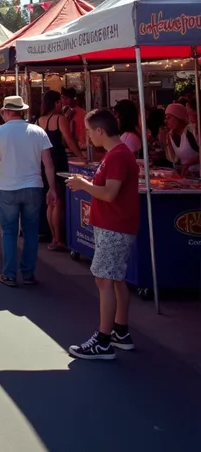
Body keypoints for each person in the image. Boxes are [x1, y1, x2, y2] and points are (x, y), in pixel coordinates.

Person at [66, 109, 140, 361]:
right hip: (113, 224)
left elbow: (109, 193)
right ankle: (120, 331)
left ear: (100, 131)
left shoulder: (118, 156)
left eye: (88, 131)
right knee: (115, 278)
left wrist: (83, 185)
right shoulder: (117, 154)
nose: (87, 136)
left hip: (114, 225)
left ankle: (103, 339)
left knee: (104, 279)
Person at [0, 95, 56, 287]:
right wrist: (52, 189)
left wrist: (1, 157)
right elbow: (48, 164)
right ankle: (28, 273)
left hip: (8, 187)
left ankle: (9, 274)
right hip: (34, 186)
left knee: (9, 232)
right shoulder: (38, 131)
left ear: (6, 112)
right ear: (22, 111)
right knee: (31, 232)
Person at [37, 90, 82, 252]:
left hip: (44, 161)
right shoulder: (59, 118)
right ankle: (58, 238)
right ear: (55, 103)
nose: (61, 104)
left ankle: (53, 236)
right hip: (58, 160)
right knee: (59, 201)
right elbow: (68, 139)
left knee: (51, 200)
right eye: (59, 101)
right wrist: (81, 157)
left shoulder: (39, 120)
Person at [160, 102, 199, 177]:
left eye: (168, 117)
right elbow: (173, 159)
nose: (166, 121)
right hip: (186, 176)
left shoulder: (191, 132)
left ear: (179, 118)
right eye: (165, 118)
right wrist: (166, 142)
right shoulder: (171, 134)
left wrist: (188, 164)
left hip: (197, 174)